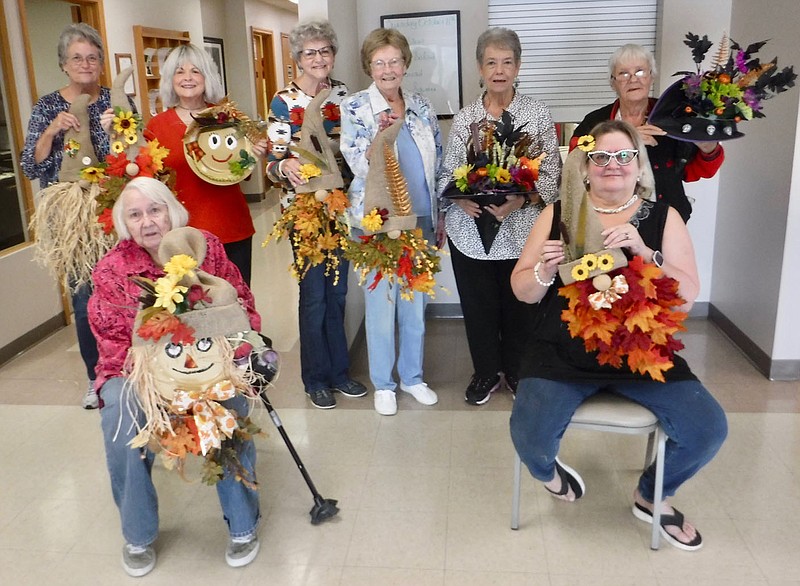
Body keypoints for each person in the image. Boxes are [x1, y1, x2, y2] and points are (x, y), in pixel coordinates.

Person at [509, 120, 727, 551]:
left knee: (708, 428)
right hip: (563, 346)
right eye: (602, 157)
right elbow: (523, 291)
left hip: (640, 349)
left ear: (638, 166)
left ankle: (651, 494)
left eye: (624, 157)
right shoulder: (558, 212)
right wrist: (543, 270)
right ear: (586, 167)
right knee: (529, 436)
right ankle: (551, 477)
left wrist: (645, 253)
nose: (613, 166)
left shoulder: (663, 216)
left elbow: (685, 296)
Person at [88, 177, 261, 576]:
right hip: (138, 372)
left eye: (155, 209)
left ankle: (243, 523)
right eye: (135, 215)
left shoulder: (205, 247)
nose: (148, 222)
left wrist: (227, 361)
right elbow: (112, 342)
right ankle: (138, 533)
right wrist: (159, 380)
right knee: (119, 410)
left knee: (227, 401)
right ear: (125, 224)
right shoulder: (112, 270)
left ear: (172, 211)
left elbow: (243, 308)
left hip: (207, 363)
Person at [437, 27, 561, 405]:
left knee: (521, 307)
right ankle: (486, 372)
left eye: (507, 62)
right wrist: (459, 200)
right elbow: (448, 173)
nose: (499, 70)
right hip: (470, 233)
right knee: (479, 309)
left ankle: (519, 370)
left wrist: (522, 201)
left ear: (518, 66)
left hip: (523, 232)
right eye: (491, 62)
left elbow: (552, 173)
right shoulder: (465, 118)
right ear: (480, 68)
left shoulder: (537, 113)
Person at [21, 23, 127, 410]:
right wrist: (52, 130)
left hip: (114, 208)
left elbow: (137, 153)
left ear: (100, 62)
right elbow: (30, 166)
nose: (86, 64)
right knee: (85, 299)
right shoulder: (48, 105)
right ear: (64, 65)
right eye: (77, 58)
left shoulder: (115, 99)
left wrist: (122, 131)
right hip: (74, 219)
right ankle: (95, 376)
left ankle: (129, 367)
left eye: (93, 57)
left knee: (125, 291)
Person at [341, 28, 442, 416]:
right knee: (381, 305)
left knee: (414, 305)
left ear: (405, 64)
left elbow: (438, 162)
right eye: (379, 62)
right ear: (369, 66)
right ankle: (383, 383)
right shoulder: (355, 108)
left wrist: (440, 214)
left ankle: (412, 377)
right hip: (375, 223)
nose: (387, 69)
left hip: (419, 221)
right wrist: (379, 139)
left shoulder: (421, 106)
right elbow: (357, 163)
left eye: (394, 61)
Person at [265, 19, 365, 410]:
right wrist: (283, 168)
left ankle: (341, 372)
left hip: (340, 207)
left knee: (339, 291)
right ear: (297, 60)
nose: (319, 58)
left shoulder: (344, 96)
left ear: (333, 56)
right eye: (310, 53)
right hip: (303, 210)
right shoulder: (282, 101)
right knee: (314, 295)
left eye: (325, 51)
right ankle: (315, 379)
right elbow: (272, 164)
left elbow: (354, 150)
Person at [146, 43, 266, 285]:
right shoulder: (156, 126)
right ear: (170, 79)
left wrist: (255, 154)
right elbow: (152, 184)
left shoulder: (226, 118)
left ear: (207, 77)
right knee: (194, 310)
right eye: (180, 71)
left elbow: (244, 174)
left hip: (232, 228)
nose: (188, 78)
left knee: (237, 304)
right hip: (183, 235)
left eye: (195, 71)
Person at [569, 44, 724, 223]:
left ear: (651, 77)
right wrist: (627, 140)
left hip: (666, 221)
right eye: (623, 73)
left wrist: (708, 146)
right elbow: (575, 164)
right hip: (608, 219)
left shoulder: (675, 116)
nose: (633, 79)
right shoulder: (595, 121)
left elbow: (695, 171)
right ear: (613, 83)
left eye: (640, 71)